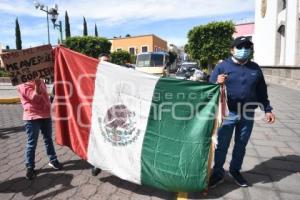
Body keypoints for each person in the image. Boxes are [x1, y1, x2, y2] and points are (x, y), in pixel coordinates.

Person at [208, 36, 275, 188]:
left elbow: (261, 91)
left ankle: (235, 170)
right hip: (227, 114)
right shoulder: (222, 66)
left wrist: (267, 109)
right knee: (222, 145)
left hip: (247, 114)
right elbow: (209, 89)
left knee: (241, 145)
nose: (244, 50)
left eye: (247, 47)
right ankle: (218, 173)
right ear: (232, 49)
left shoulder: (255, 68)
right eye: (240, 47)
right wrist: (215, 82)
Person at [17, 78, 62, 180]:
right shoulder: (22, 83)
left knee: (48, 139)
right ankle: (30, 167)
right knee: (32, 143)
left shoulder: (40, 80)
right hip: (32, 117)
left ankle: (53, 160)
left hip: (46, 115)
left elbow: (45, 96)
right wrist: (37, 85)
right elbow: (34, 98)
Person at [91, 53, 110, 177]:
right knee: (100, 138)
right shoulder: (94, 75)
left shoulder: (117, 74)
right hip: (99, 113)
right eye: (103, 61)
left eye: (107, 61)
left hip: (113, 112)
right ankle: (98, 164)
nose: (106, 63)